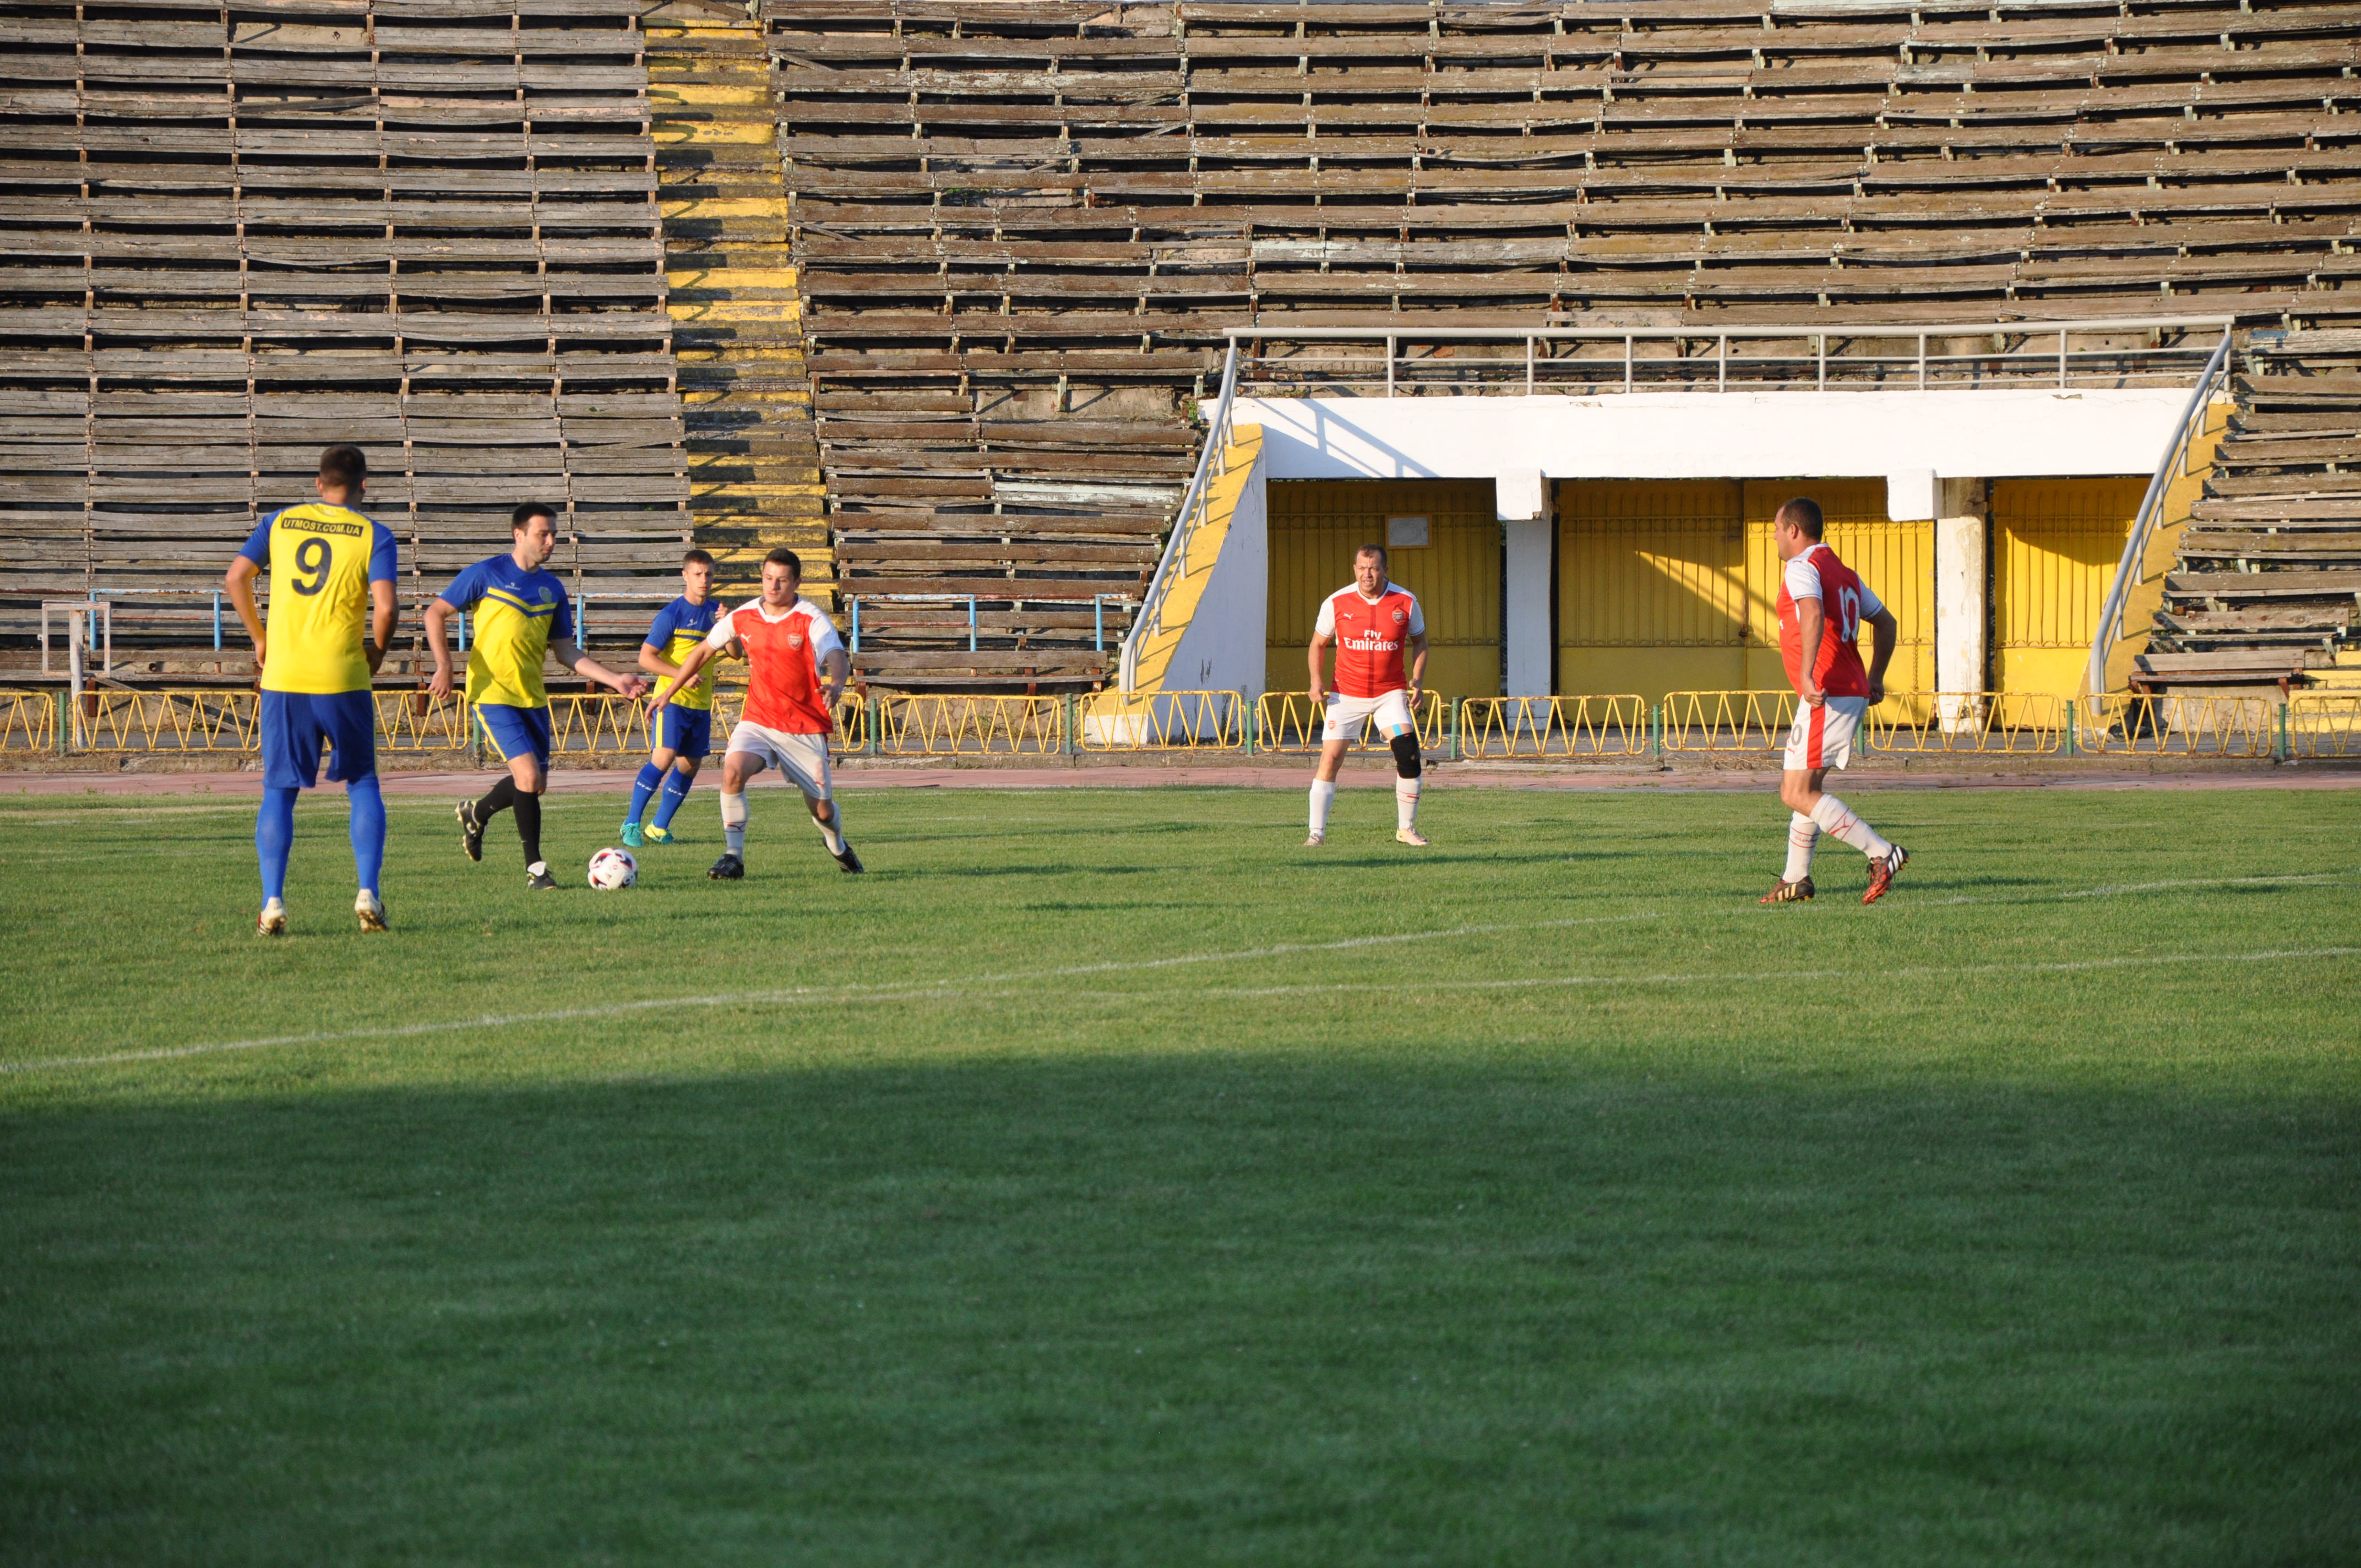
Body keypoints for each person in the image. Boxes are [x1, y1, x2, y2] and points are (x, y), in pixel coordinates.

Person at [425, 502, 648, 889]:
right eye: (543, 534)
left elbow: (566, 652)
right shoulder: (486, 573)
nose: (551, 541)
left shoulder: (553, 588)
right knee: (527, 777)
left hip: (532, 697)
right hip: (492, 692)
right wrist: (445, 665)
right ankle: (537, 870)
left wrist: (615, 680)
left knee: (535, 784)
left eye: (554, 534)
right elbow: (435, 613)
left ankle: (477, 814)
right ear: (519, 535)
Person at [223, 443, 398, 935]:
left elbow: (236, 577)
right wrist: (377, 653)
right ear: (364, 486)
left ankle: (272, 902)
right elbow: (386, 608)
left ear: (319, 485)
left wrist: (260, 638)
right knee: (362, 782)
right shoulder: (375, 534)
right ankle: (367, 891)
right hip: (343, 676)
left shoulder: (280, 522)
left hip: (285, 677)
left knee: (279, 791)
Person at [643, 547, 861, 879]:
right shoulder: (743, 615)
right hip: (758, 719)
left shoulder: (811, 619)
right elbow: (703, 651)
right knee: (732, 772)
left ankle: (838, 845)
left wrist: (836, 684)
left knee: (822, 810)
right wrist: (669, 692)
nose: (773, 586)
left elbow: (836, 655)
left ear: (797, 583)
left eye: (782, 580)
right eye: (768, 578)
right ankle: (734, 857)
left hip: (802, 726)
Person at [1760, 497, 1911, 906]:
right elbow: (1886, 622)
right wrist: (1875, 677)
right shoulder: (1844, 572)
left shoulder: (1801, 566)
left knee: (1795, 792)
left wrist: (1807, 675)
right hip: (1845, 689)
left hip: (1827, 691)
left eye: (1776, 529)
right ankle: (1796, 878)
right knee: (1807, 788)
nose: (1774, 537)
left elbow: (1811, 613)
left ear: (1794, 530)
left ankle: (1881, 852)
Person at [1304, 543, 1429, 848]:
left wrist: (1417, 680)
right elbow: (1318, 644)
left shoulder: (1406, 601)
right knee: (1331, 759)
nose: (1367, 574)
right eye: (1362, 568)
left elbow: (1421, 642)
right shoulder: (1337, 602)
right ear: (1355, 570)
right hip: (1346, 694)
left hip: (1390, 693)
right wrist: (1316, 681)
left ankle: (1406, 829)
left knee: (1408, 753)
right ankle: (1316, 835)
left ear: (1385, 569)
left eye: (1373, 568)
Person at [621, 548, 722, 847]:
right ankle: (631, 824)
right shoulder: (672, 614)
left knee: (689, 766)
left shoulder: (717, 613)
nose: (704, 580)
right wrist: (684, 675)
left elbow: (736, 653)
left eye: (709, 574)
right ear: (685, 576)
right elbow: (646, 657)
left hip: (701, 704)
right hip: (673, 701)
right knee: (663, 758)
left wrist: (728, 627)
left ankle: (659, 827)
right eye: (698, 574)